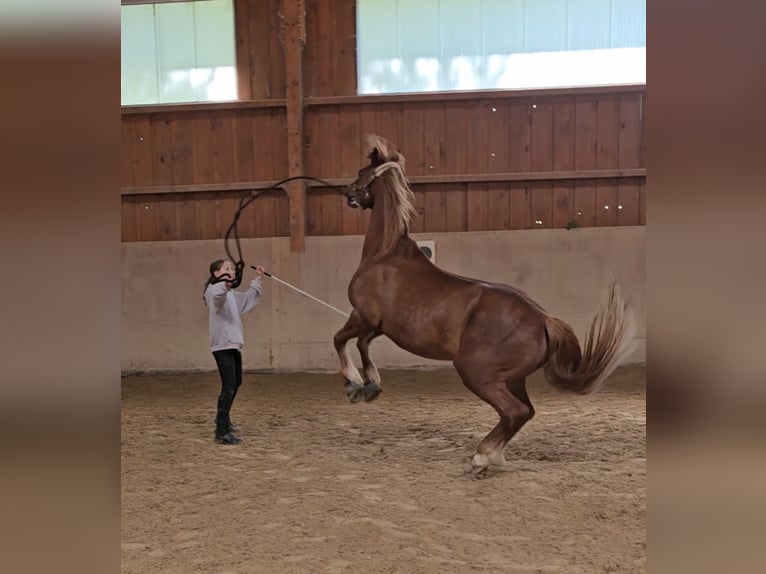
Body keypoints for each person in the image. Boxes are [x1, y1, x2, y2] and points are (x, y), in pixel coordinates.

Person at [202, 260, 265, 445]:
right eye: (226, 269)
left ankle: (224, 421)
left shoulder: (228, 292)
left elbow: (245, 300)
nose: (230, 271)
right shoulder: (214, 290)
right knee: (228, 385)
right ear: (216, 273)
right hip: (222, 344)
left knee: (237, 382)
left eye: (231, 269)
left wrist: (258, 278)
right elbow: (218, 298)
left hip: (232, 343)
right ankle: (221, 430)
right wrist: (225, 285)